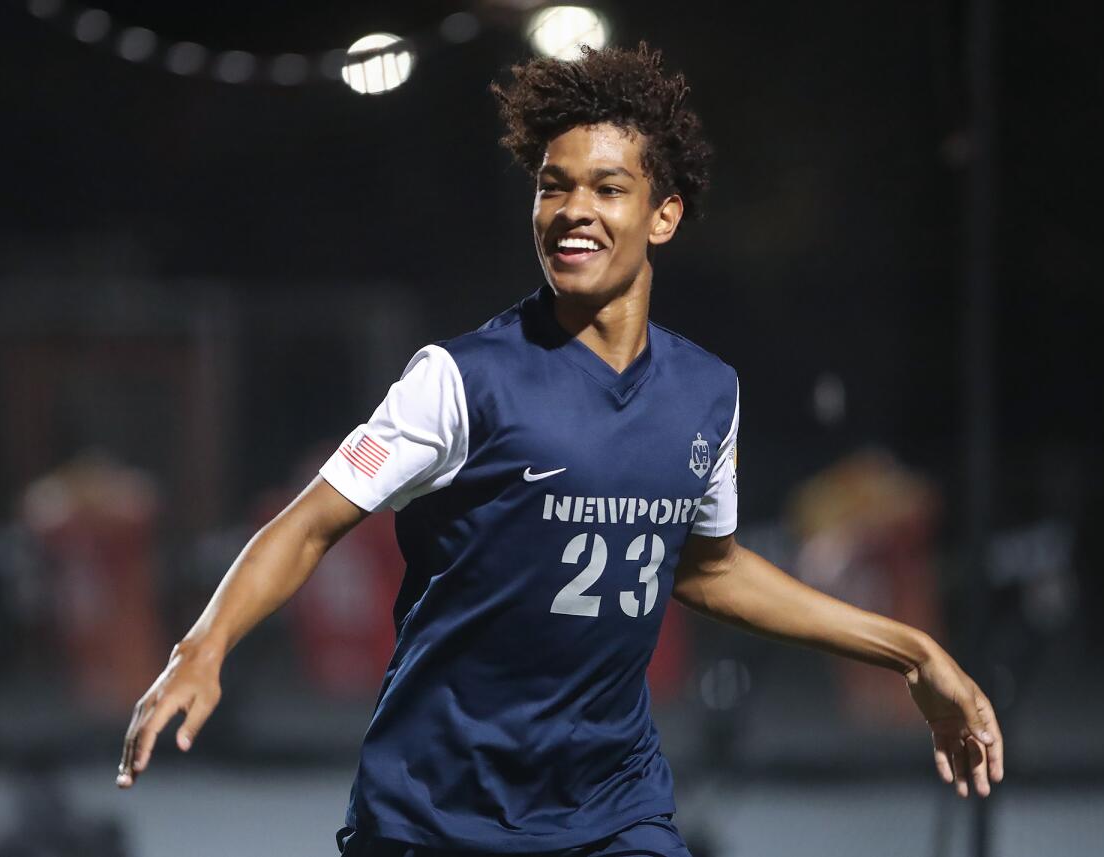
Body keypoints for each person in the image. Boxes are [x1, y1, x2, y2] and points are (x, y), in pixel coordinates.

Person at [116, 42, 1003, 856]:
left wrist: (913, 649)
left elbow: (707, 568)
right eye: (553, 185)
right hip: (437, 813)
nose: (573, 210)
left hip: (612, 810)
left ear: (664, 215)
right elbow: (309, 524)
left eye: (607, 188)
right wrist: (203, 645)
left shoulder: (707, 395)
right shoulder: (458, 380)